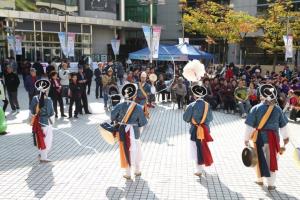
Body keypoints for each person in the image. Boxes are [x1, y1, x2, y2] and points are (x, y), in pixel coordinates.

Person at [244, 84, 289, 190]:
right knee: (272, 160)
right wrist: (286, 137)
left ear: (261, 95)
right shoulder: (277, 109)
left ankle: (260, 180)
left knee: (257, 158)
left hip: (259, 138)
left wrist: (246, 139)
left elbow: (249, 126)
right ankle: (271, 184)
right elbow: (284, 125)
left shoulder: (255, 108)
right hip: (273, 138)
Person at [111, 83, 148, 179]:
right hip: (135, 131)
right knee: (136, 150)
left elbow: (112, 116)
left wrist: (119, 120)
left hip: (123, 131)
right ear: (134, 95)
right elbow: (143, 122)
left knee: (125, 149)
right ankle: (137, 170)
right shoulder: (139, 107)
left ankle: (128, 173)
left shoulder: (119, 105)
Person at [183, 84, 214, 177]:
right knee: (203, 147)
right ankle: (202, 166)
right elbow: (210, 118)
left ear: (195, 95)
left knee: (196, 149)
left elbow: (185, 118)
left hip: (194, 130)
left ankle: (198, 169)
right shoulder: (207, 105)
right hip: (205, 129)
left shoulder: (191, 105)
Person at [30, 79, 55, 163]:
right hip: (46, 122)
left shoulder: (34, 98)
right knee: (47, 141)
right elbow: (51, 113)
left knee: (39, 139)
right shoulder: (48, 100)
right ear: (47, 89)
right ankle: (43, 157)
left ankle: (41, 154)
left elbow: (32, 111)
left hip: (37, 122)